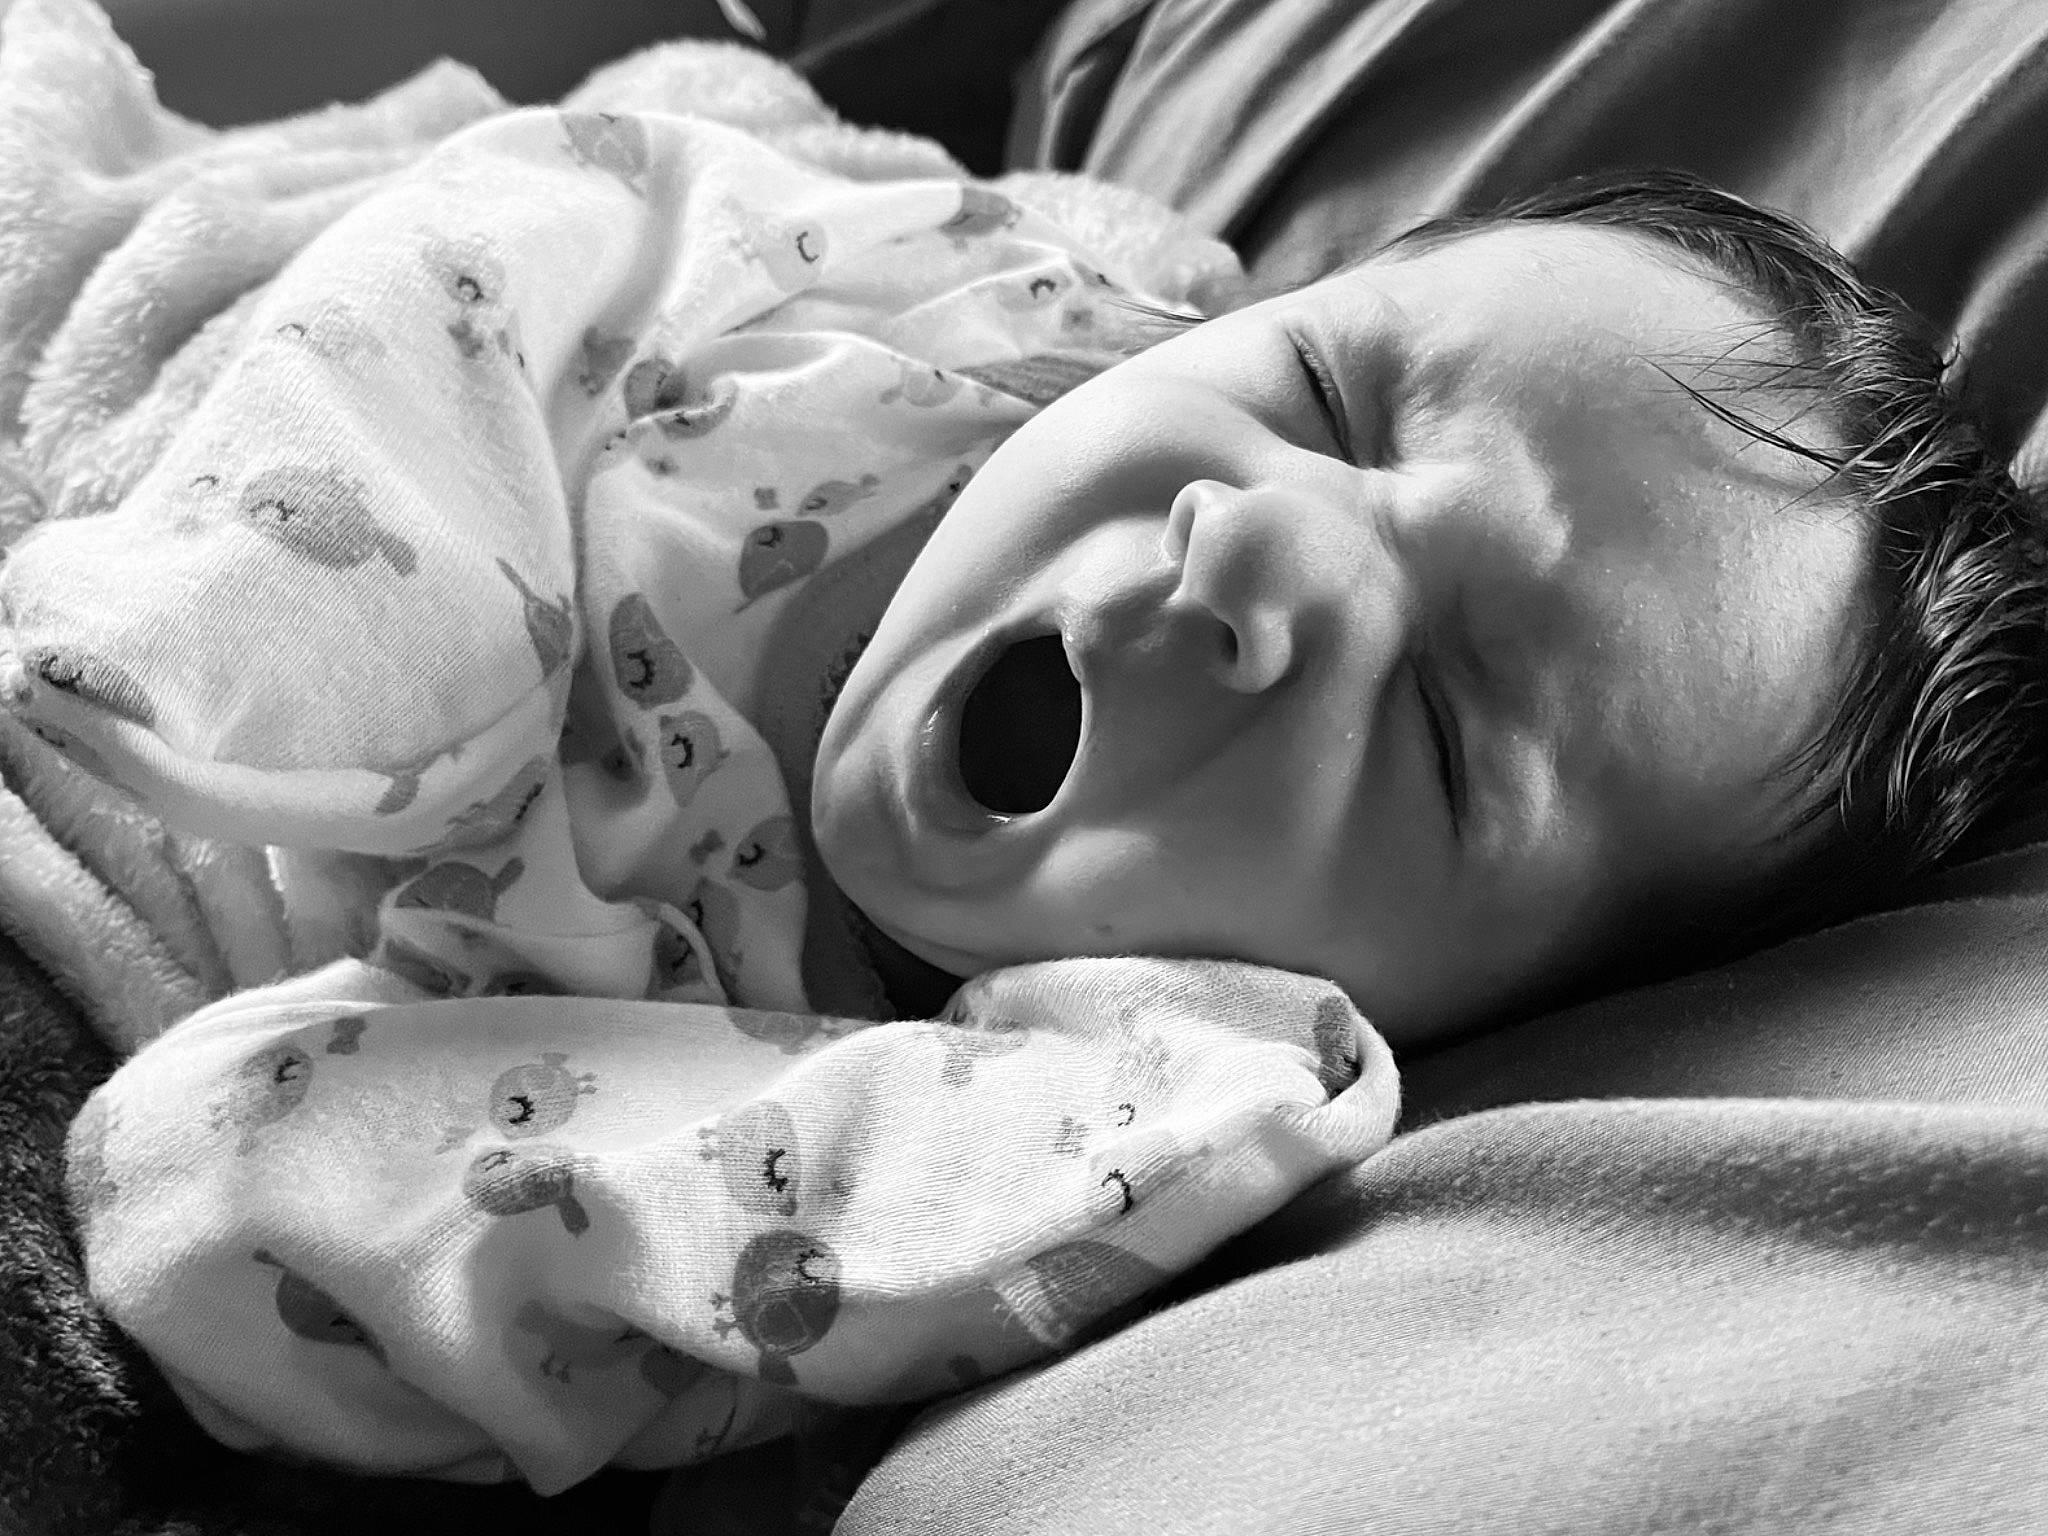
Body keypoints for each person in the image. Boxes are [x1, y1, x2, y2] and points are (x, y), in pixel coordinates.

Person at [13, 94, 2044, 1494]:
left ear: (1513, 1008)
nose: (1260, 554)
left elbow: (281, 1232)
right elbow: (544, 217)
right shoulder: (939, 333)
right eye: (1326, 397)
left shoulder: (1054, 1119)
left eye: (1441, 728)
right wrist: (281, 625)